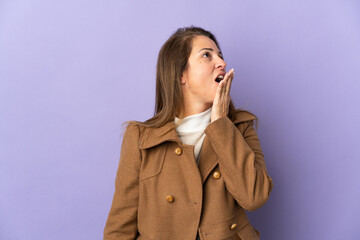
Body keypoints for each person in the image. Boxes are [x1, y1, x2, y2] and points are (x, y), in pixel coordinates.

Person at [103, 26, 273, 240]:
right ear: (181, 74)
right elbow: (120, 229)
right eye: (206, 55)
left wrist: (220, 123)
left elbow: (254, 197)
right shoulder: (139, 138)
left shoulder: (241, 127)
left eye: (220, 56)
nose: (221, 63)